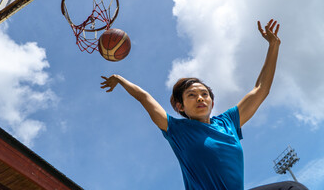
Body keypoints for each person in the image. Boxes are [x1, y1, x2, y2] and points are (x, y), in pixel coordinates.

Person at [100, 19, 307, 190]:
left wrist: (273, 46)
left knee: (292, 188)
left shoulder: (228, 122)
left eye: (204, 94)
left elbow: (261, 89)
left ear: (212, 101)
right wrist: (120, 78)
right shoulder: (177, 130)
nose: (200, 98)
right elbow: (145, 98)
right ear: (180, 106)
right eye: (191, 95)